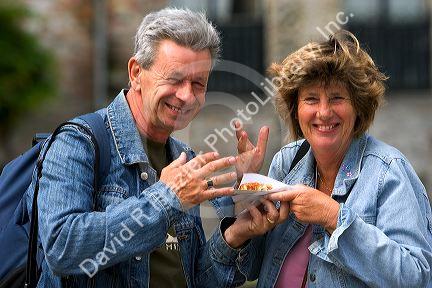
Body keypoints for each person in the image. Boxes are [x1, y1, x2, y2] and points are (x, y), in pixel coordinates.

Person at [25, 7, 284, 287]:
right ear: (136, 72)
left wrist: (235, 235)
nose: (186, 96)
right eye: (174, 79)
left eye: (198, 83)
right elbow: (62, 248)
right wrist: (168, 198)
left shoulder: (183, 160)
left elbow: (194, 279)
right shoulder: (78, 142)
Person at [235, 30, 432, 287]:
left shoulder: (389, 172)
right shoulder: (286, 163)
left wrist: (333, 217)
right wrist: (244, 193)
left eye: (337, 98)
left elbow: (416, 277)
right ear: (297, 110)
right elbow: (247, 269)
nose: (324, 112)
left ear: (358, 108)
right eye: (311, 99)